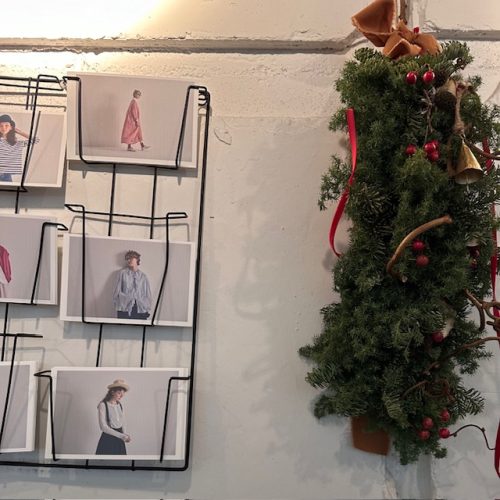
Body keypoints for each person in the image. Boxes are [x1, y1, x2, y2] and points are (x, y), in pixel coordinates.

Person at [112, 250, 152, 320]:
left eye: (131, 258)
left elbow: (147, 294)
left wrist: (146, 305)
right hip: (125, 307)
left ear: (137, 259)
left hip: (140, 308)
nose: (129, 260)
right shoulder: (122, 274)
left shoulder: (143, 276)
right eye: (127, 259)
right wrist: (119, 303)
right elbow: (116, 291)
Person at [96, 379, 131, 455]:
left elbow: (123, 422)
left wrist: (125, 435)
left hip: (120, 440)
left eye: (123, 393)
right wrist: (122, 436)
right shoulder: (103, 405)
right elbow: (103, 427)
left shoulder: (120, 405)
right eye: (119, 393)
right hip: (108, 439)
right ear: (112, 392)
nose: (121, 396)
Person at [0, 114, 39, 182]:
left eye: (6, 125)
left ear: (11, 127)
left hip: (6, 175)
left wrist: (20, 132)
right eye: (1, 126)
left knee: (8, 189)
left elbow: (35, 140)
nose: (3, 128)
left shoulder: (15, 143)